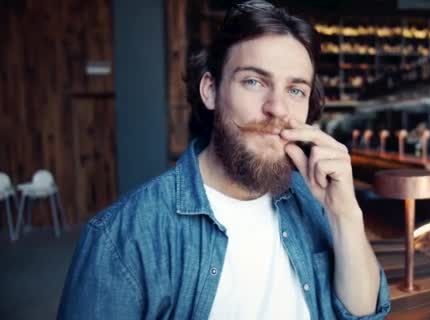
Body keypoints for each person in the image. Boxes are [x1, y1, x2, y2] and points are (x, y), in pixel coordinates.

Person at [57, 1, 391, 319]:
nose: (277, 108)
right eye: (253, 81)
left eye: (295, 90)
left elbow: (362, 314)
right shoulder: (120, 238)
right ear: (210, 91)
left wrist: (344, 213)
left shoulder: (314, 201)